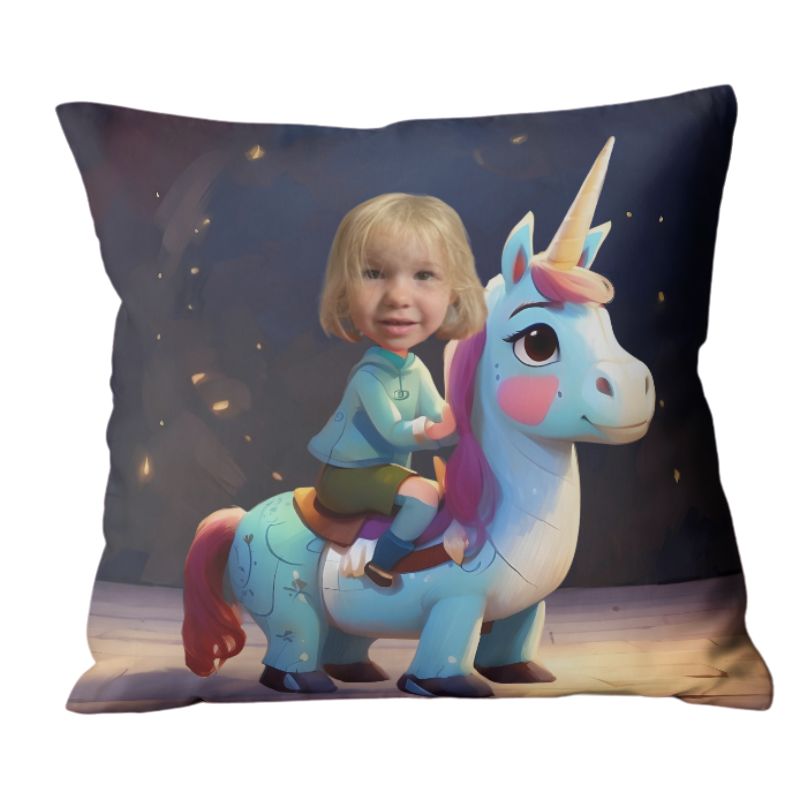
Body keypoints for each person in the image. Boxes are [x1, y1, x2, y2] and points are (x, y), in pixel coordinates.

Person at [308, 193, 487, 587]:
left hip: (386, 473)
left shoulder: (415, 368)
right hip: (348, 476)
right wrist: (433, 430)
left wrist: (464, 422)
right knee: (424, 496)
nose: (398, 298)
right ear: (344, 290)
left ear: (453, 291)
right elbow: (393, 431)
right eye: (374, 273)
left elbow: (440, 411)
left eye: (424, 275)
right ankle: (381, 562)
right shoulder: (368, 377)